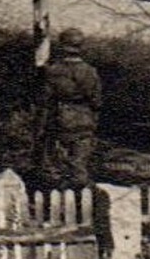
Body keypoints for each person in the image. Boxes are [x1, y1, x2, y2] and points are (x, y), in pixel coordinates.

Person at [38, 28, 103, 188]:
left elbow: (45, 100)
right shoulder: (90, 72)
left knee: (54, 165)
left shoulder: (53, 71)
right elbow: (96, 101)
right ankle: (82, 200)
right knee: (79, 164)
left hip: (58, 120)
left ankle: (56, 197)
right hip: (84, 121)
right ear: (81, 47)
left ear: (61, 46)